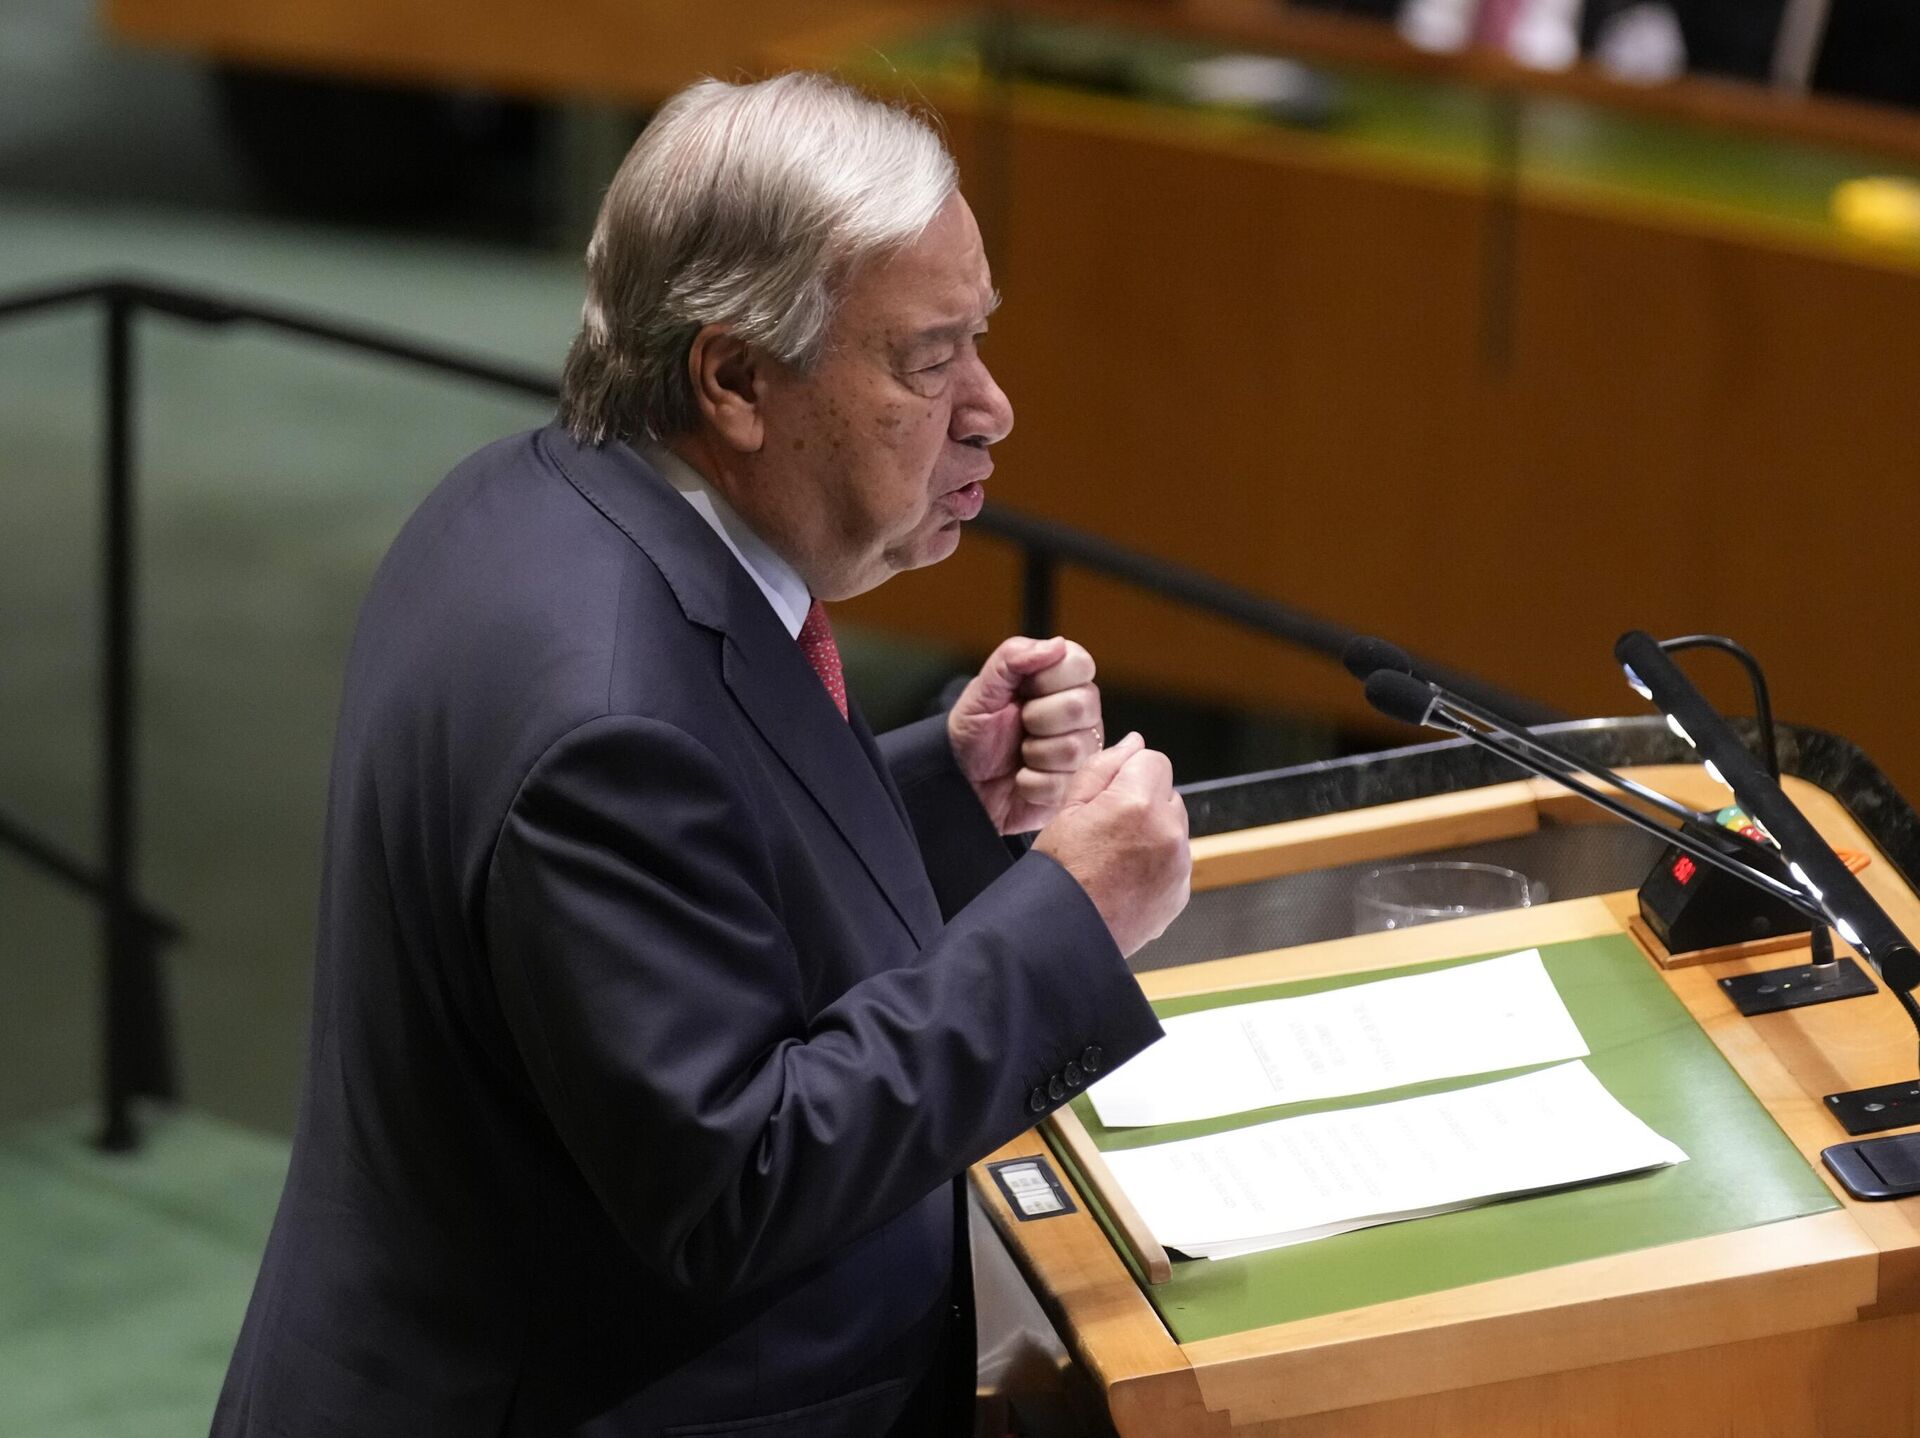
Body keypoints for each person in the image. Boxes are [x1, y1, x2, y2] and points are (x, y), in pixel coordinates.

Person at [211, 72, 1190, 1438]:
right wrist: (1071, 922)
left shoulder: (537, 500)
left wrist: (943, 793)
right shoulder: (610, 717)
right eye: (929, 358)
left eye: (980, 338)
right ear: (734, 379)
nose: (991, 407)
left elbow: (696, 881)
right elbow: (740, 1178)